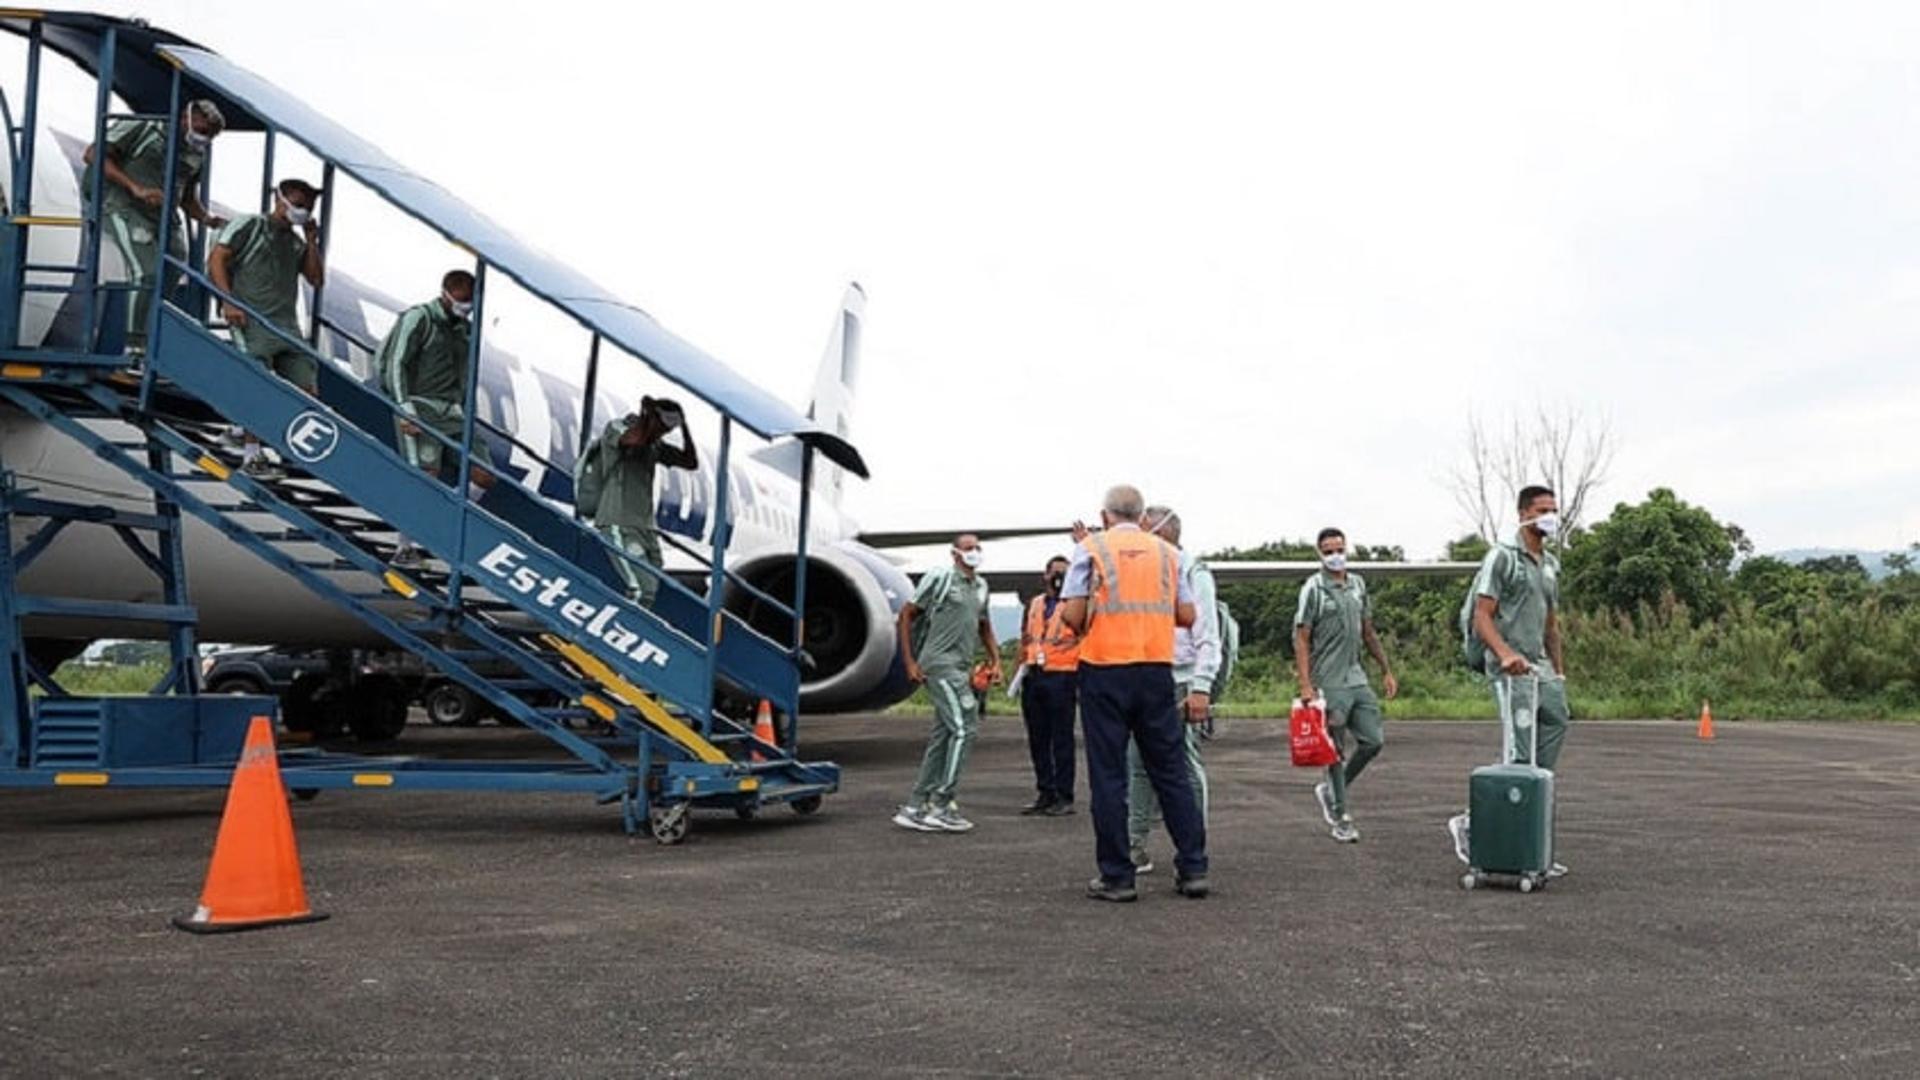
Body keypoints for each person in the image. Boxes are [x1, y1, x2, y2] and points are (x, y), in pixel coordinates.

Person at [1060, 485, 1209, 902]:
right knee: (1170, 770)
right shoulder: (1169, 554)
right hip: (1155, 670)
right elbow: (1187, 614)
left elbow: (1072, 616)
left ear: (1104, 515)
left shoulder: (1090, 548)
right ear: (1143, 518)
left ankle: (1117, 876)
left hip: (1104, 670)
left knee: (1109, 776)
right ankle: (1193, 867)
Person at [1448, 484, 1569, 877]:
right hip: (1508, 665)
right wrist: (1503, 655)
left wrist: (1560, 669)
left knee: (1555, 721)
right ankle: (1480, 827)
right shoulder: (1503, 557)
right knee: (1520, 750)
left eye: (1553, 509)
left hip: (1539, 665)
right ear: (1523, 514)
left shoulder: (1550, 563)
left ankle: (1530, 826)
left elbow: (1551, 623)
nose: (1550, 516)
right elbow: (1483, 616)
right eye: (1542, 510)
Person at [82, 99, 227, 352]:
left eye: (211, 136)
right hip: (121, 204)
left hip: (163, 215)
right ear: (185, 118)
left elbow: (188, 196)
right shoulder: (144, 127)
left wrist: (207, 218)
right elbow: (93, 154)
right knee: (146, 271)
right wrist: (134, 187)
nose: (205, 139)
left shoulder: (196, 154)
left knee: (175, 264)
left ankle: (152, 336)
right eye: (202, 131)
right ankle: (133, 346)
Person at [375, 271, 496, 562]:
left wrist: (468, 413)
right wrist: (405, 407)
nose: (466, 307)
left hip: (453, 412)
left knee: (484, 473)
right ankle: (405, 547)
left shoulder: (465, 331)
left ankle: (442, 516)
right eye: (463, 301)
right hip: (420, 407)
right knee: (424, 476)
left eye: (471, 302)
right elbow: (395, 362)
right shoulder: (420, 318)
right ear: (446, 293)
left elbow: (465, 377)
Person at [1124, 506, 1219, 873]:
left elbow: (1207, 634)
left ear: (1162, 533)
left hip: (1181, 678)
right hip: (1147, 673)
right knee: (1137, 763)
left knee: (1183, 761)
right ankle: (1135, 846)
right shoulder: (1145, 570)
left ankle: (1193, 848)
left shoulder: (1194, 572)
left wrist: (1201, 686)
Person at [209, 179, 325, 478]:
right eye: (298, 203)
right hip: (250, 318)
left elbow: (316, 279)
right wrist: (228, 300)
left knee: (307, 389)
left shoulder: (296, 243)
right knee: (258, 384)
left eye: (308, 206)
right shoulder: (249, 225)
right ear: (280, 199)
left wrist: (312, 240)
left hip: (286, 325)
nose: (303, 210)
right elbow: (218, 257)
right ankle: (252, 456)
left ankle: (239, 429)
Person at [1294, 526, 1398, 844]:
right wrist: (1306, 684)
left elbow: (1368, 631)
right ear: (1319, 553)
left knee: (1372, 740)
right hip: (1330, 680)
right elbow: (1301, 636)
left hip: (1356, 677)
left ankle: (1331, 790)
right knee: (1334, 751)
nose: (1335, 556)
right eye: (1328, 551)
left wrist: (1386, 669)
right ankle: (1341, 815)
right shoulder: (1313, 589)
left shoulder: (1358, 585)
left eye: (1339, 549)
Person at [892, 534, 1000, 833]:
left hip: (962, 666)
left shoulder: (981, 587)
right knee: (965, 728)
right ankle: (941, 803)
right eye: (968, 548)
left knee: (944, 735)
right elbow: (907, 614)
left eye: (978, 547)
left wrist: (995, 660)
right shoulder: (939, 578)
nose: (974, 552)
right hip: (939, 664)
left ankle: (915, 805)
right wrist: (910, 661)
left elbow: (984, 625)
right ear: (955, 553)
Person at [575, 396, 699, 603]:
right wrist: (645, 416)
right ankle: (624, 630)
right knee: (640, 589)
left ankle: (633, 628)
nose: (664, 433)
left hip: (645, 525)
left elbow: (690, 461)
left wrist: (684, 426)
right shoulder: (618, 429)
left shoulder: (655, 445)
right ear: (651, 417)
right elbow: (634, 439)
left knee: (653, 583)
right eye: (662, 427)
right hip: (620, 521)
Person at [1018, 555, 1080, 816]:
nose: (1059, 579)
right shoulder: (1034, 604)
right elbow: (1026, 637)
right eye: (1055, 573)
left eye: (1065, 574)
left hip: (1063, 675)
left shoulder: (1074, 606)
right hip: (1034, 675)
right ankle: (1045, 791)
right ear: (1045, 576)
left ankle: (1064, 795)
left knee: (1062, 739)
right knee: (1037, 738)